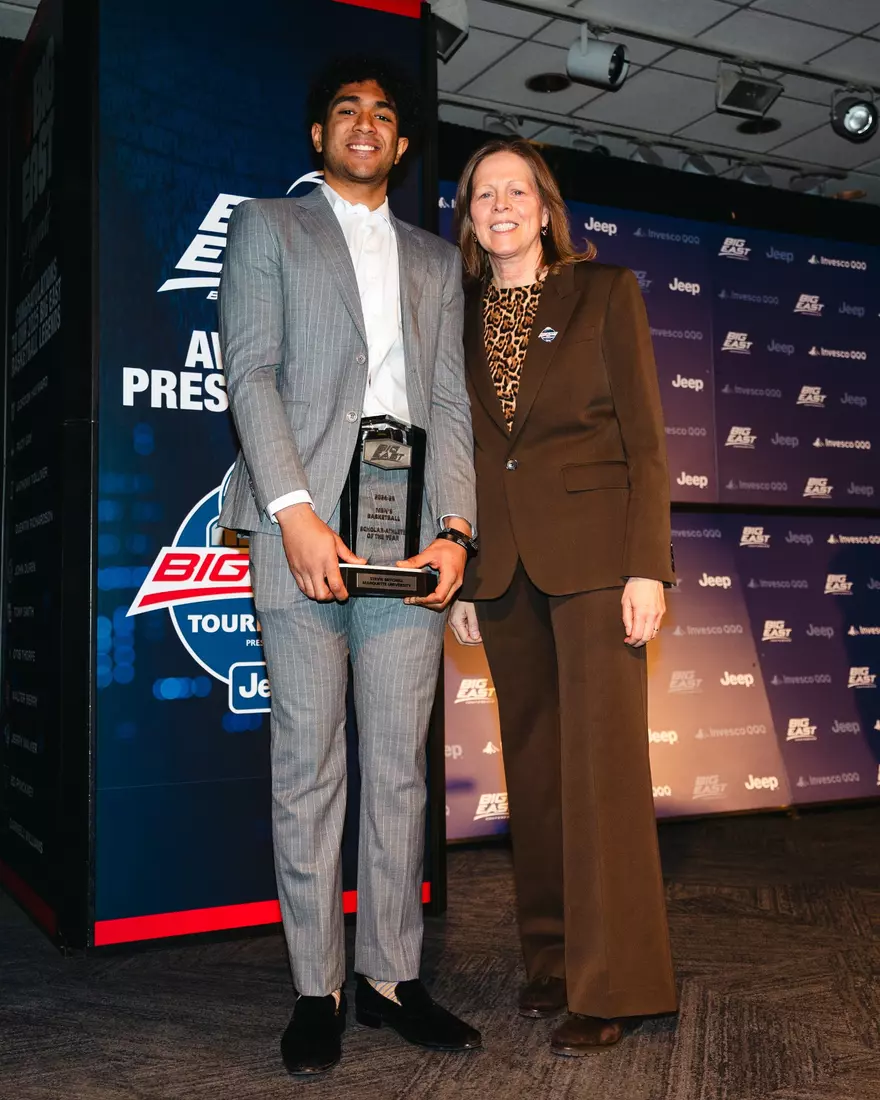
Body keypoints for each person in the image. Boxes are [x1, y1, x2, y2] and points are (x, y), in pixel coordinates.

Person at [219, 56, 480, 1076]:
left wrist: (455, 528)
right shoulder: (267, 227)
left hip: (408, 533)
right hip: (305, 523)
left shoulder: (430, 257)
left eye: (383, 113)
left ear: (404, 143)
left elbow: (452, 402)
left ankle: (388, 975)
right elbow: (250, 371)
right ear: (318, 134)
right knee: (308, 763)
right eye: (345, 111)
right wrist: (291, 512)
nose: (365, 124)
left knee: (398, 767)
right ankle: (317, 984)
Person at [449, 139, 677, 1055]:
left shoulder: (605, 292)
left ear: (545, 209)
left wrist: (646, 567)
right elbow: (464, 451)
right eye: (481, 195)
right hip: (500, 569)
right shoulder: (453, 313)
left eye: (516, 191)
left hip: (595, 566)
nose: (499, 205)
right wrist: (459, 566)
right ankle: (551, 961)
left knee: (602, 780)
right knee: (534, 776)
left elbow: (648, 442)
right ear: (467, 217)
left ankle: (613, 981)